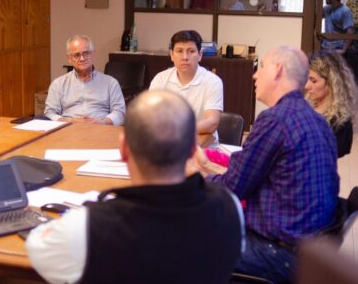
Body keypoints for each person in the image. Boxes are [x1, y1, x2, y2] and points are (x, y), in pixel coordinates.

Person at [27, 90, 244, 284]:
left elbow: (36, 247)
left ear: (123, 149)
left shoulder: (86, 226)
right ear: (192, 150)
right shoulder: (229, 207)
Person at [192, 46, 339, 283]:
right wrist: (208, 166)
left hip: (279, 252)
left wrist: (194, 176)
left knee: (179, 240)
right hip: (311, 249)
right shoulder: (316, 120)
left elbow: (233, 186)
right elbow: (248, 174)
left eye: (261, 68)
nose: (255, 75)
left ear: (278, 70)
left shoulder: (275, 119)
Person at [149, 30, 223, 145]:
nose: (185, 57)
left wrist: (177, 129)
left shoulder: (212, 82)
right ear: (172, 55)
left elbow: (212, 122)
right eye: (179, 51)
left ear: (200, 55)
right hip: (167, 144)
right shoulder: (160, 79)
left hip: (203, 147)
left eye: (191, 51)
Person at [44, 34, 126, 125]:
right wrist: (70, 121)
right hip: (68, 130)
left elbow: (120, 112)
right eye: (76, 55)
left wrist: (103, 122)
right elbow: (49, 113)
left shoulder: (111, 83)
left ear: (93, 54)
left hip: (101, 130)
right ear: (69, 58)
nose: (82, 58)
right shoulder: (58, 84)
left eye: (86, 53)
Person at [305, 50, 357, 158]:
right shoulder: (303, 108)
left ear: (331, 83)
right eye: (307, 80)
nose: (307, 86)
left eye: (313, 81)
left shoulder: (341, 122)